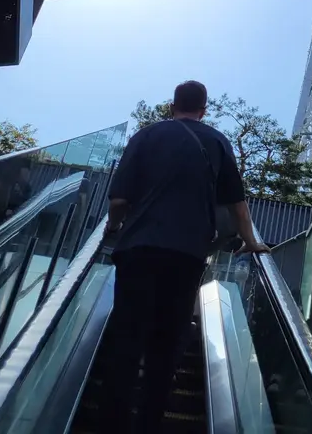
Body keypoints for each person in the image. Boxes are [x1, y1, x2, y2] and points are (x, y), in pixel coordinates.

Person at [97, 80, 268, 433]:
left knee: (127, 338)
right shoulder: (218, 141)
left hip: (138, 250)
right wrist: (251, 241)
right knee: (167, 343)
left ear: (171, 105)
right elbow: (237, 203)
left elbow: (118, 202)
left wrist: (113, 228)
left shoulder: (146, 136)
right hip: (187, 254)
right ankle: (149, 422)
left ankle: (111, 423)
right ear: (204, 109)